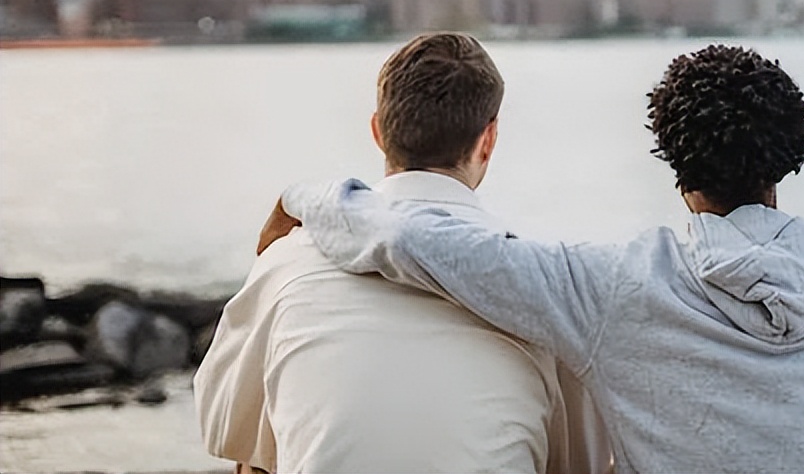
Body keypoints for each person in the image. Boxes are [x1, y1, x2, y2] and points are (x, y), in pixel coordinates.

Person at [264, 43, 804, 474]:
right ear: (789, 157)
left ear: (672, 159)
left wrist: (305, 197)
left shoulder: (608, 287)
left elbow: (415, 239)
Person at [194, 33, 609, 474]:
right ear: (488, 140)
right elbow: (581, 463)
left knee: (254, 460)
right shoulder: (545, 289)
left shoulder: (289, 261)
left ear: (378, 131)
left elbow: (221, 425)